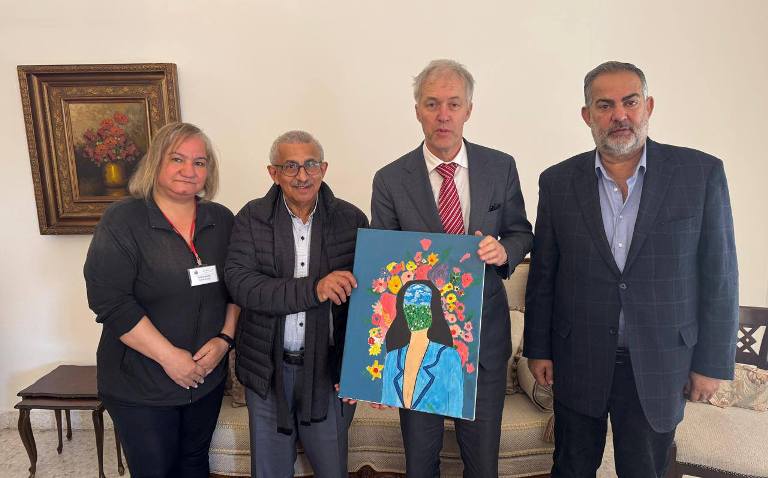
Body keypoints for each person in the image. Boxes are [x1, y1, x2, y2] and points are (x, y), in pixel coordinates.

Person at [524, 61, 739, 478]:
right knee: (571, 467)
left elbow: (721, 277)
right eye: (604, 105)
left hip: (660, 360)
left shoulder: (700, 174)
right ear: (587, 115)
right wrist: (539, 347)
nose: (619, 115)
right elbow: (544, 274)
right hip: (578, 357)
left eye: (630, 102)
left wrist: (713, 363)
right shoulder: (557, 182)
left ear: (649, 106)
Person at [370, 59, 533, 477]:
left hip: (484, 340)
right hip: (418, 342)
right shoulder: (389, 180)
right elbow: (383, 269)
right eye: (432, 104)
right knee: (420, 465)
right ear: (417, 111)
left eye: (453, 104)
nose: (443, 114)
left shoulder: (500, 166)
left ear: (468, 110)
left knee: (482, 465)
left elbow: (521, 232)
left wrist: (503, 251)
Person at [84, 122, 240, 478]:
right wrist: (170, 358)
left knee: (195, 465)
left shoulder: (221, 220)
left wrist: (224, 340)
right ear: (156, 162)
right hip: (140, 384)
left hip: (205, 380)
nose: (189, 170)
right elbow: (110, 301)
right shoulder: (123, 220)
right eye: (177, 159)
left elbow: (238, 287)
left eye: (199, 162)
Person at [225, 130, 369, 478]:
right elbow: (243, 286)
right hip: (267, 370)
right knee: (270, 471)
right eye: (291, 166)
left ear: (324, 169)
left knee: (332, 470)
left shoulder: (351, 220)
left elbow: (367, 303)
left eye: (310, 165)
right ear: (273, 173)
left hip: (327, 372)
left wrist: (356, 370)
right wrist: (315, 289)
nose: (302, 176)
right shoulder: (251, 218)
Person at [381, 280, 463, 417]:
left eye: (422, 308)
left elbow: (456, 407)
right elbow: (387, 399)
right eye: (410, 308)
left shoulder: (449, 358)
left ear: (432, 311)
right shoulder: (392, 359)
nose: (415, 315)